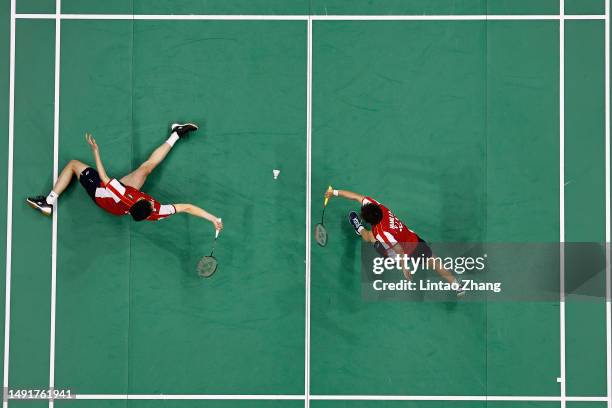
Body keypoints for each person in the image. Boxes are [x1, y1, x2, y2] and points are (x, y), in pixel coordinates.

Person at [27, 123, 223, 230]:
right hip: (112, 203)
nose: (154, 204)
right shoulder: (157, 212)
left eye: (151, 204)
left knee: (73, 164)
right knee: (146, 168)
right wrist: (212, 218)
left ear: (139, 199)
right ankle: (176, 134)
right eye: (152, 205)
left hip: (106, 197)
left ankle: (48, 202)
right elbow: (186, 207)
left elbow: (104, 178)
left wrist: (96, 151)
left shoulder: (124, 194)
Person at [324, 187, 463, 295]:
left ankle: (359, 228)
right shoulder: (379, 207)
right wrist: (334, 192)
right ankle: (457, 285)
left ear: (371, 222)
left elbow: (399, 250)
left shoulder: (380, 234)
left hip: (400, 250)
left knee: (369, 238)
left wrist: (404, 267)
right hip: (412, 239)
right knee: (434, 261)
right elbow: (355, 197)